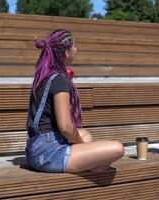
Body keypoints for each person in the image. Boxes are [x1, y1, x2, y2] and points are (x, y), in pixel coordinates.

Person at [25, 29, 125, 173]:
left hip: (36, 148)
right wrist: (82, 146)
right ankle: (89, 166)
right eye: (74, 47)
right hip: (48, 155)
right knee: (117, 148)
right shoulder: (59, 80)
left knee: (86, 134)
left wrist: (80, 143)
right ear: (67, 53)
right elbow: (65, 126)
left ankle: (86, 163)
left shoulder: (43, 76)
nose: (76, 49)